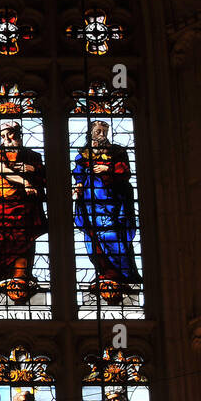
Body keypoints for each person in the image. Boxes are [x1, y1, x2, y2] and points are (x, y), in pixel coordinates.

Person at [72, 119, 141, 302]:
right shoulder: (83, 154)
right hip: (90, 202)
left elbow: (125, 173)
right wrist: (78, 185)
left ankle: (119, 274)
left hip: (114, 202)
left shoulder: (118, 152)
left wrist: (107, 168)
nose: (101, 135)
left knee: (114, 235)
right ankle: (103, 272)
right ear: (91, 133)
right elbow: (78, 172)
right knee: (94, 237)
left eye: (104, 131)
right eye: (98, 131)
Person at [0, 122, 48, 304]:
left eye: (9, 134)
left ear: (19, 134)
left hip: (26, 205)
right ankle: (1, 274)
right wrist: (25, 181)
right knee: (1, 237)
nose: (6, 139)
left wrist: (32, 169)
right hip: (1, 200)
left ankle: (21, 275)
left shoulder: (33, 155)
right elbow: (1, 169)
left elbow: (46, 176)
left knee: (24, 238)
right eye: (2, 136)